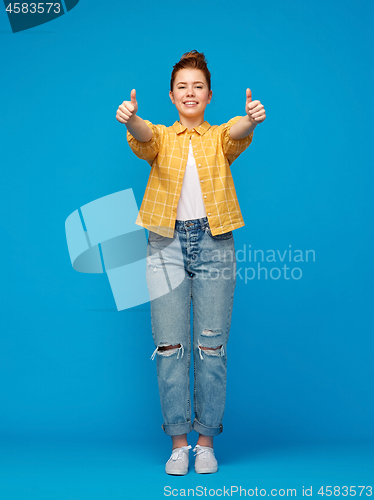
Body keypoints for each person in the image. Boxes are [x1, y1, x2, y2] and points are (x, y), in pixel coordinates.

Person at [116, 50, 266, 475]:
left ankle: (206, 441)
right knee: (170, 347)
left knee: (211, 347)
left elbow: (238, 131)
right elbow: (143, 137)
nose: (190, 92)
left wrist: (251, 119)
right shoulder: (161, 136)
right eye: (182, 86)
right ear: (171, 95)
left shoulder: (219, 137)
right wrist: (130, 119)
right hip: (165, 243)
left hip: (214, 240)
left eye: (197, 86)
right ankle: (178, 443)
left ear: (209, 95)